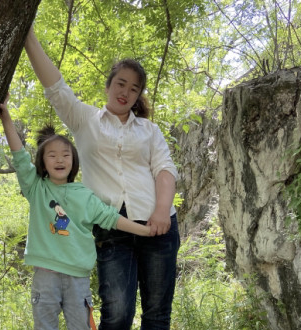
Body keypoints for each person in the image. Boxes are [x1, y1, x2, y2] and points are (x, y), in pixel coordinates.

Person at [24, 27, 180, 330]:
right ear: (109, 85)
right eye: (121, 83)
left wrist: (162, 210)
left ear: (137, 96)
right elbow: (55, 87)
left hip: (158, 226)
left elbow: (165, 170)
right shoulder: (84, 120)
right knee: (117, 314)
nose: (126, 92)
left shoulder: (149, 130)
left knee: (157, 315)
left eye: (134, 89)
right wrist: (28, 35)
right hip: (112, 227)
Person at [0, 94, 155, 330]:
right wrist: (5, 117)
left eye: (65, 154)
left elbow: (111, 218)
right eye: (52, 155)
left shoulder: (84, 195)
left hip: (78, 278)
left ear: (74, 161)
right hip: (45, 276)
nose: (59, 159)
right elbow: (19, 156)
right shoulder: (36, 188)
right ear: (43, 162)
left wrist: (144, 230)